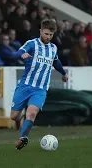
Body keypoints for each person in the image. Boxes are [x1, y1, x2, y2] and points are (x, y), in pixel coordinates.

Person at [9, 18, 68, 150]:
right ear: (41, 31)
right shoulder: (32, 44)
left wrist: (63, 73)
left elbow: (56, 62)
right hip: (25, 86)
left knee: (32, 113)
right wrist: (22, 54)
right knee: (14, 116)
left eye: (51, 35)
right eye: (46, 34)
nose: (48, 37)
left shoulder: (53, 48)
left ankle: (23, 138)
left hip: (40, 89)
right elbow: (17, 53)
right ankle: (23, 115)